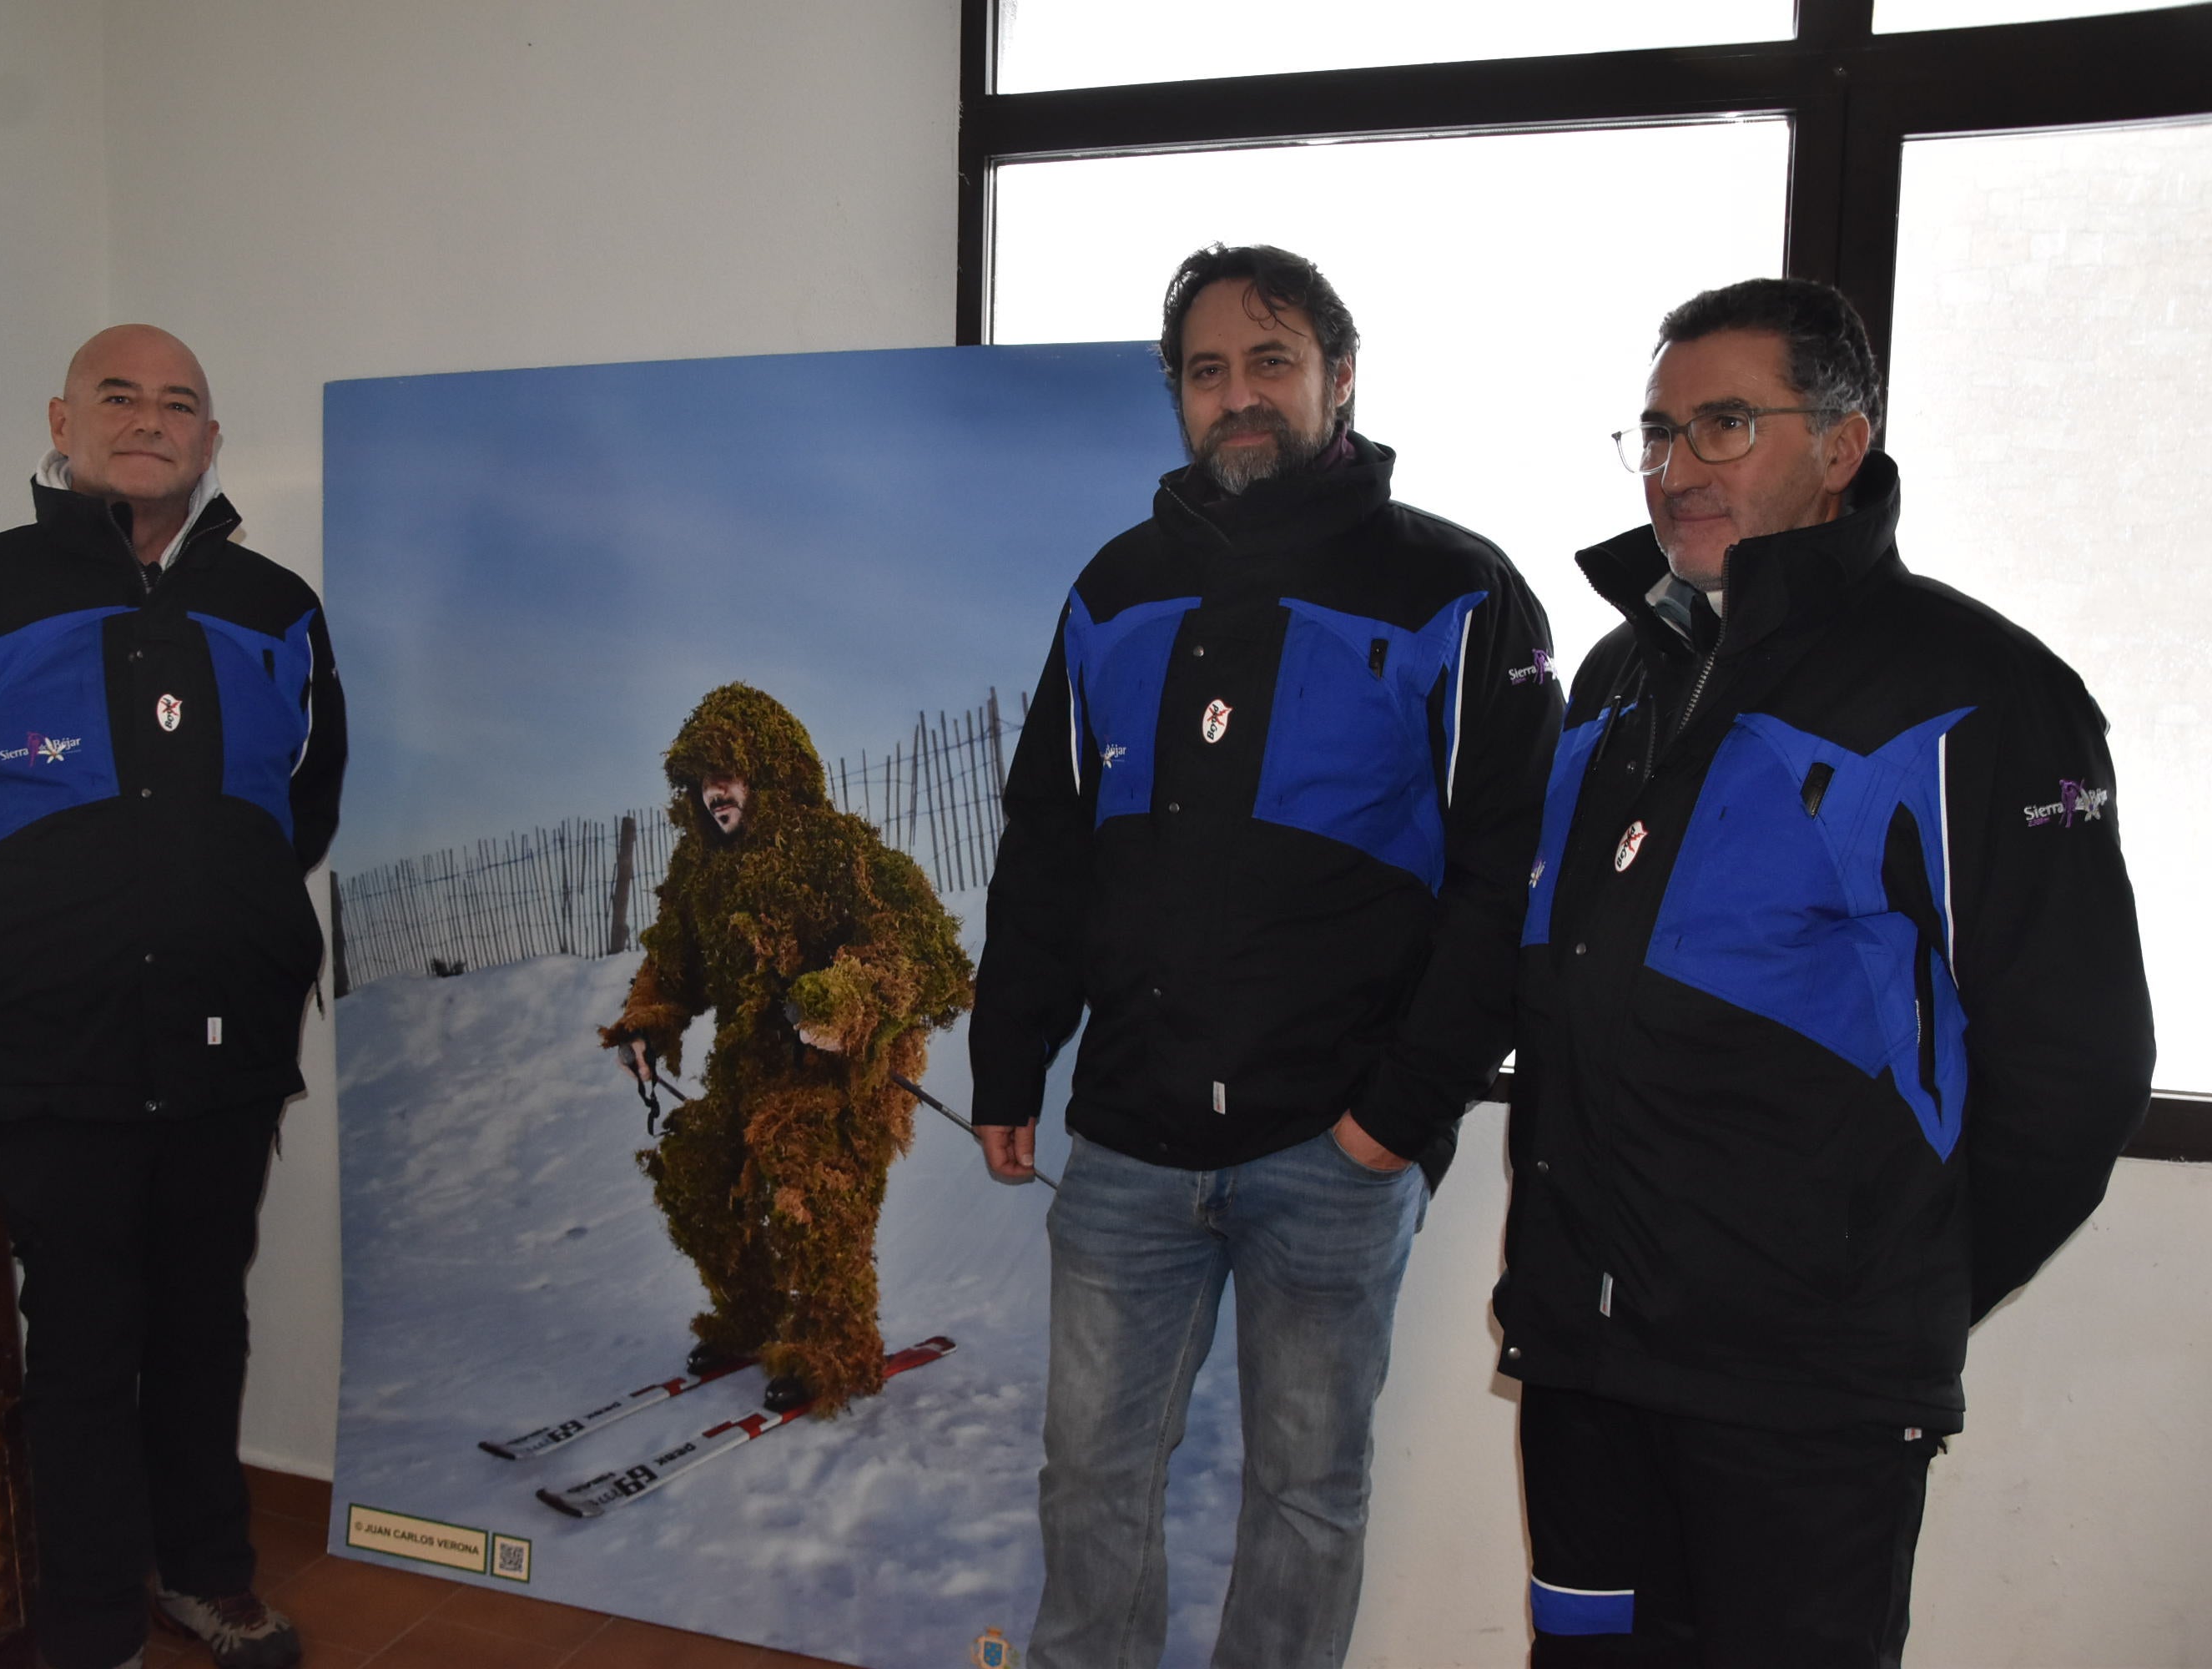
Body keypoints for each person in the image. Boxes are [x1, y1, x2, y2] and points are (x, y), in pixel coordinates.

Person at [1497, 278, 2154, 1666]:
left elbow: (2077, 1065)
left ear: (1843, 446)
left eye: (1726, 425)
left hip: (1802, 1398)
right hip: (1586, 1364)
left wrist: (1882, 1289)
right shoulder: (1614, 677)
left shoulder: (1975, 690)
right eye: (1657, 431)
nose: (1678, 467)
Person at [970, 245, 1562, 1668]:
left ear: (1339, 379)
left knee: (1304, 1497)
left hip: (1332, 1147)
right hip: (1128, 1141)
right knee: (1090, 1481)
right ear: (1178, 395)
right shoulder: (1113, 591)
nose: (1237, 395)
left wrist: (1394, 1118)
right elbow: (1047, 841)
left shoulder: (1456, 590)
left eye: (1271, 361)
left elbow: (1506, 884)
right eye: (1206, 370)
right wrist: (1008, 1059)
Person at [0, 325, 345, 1669]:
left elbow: (302, 804)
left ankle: (206, 1576)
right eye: (120, 396)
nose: (149, 420)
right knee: (81, 1348)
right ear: (63, 422)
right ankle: (95, 1618)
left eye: (180, 404)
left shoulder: (279, 609)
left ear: (211, 442)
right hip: (57, 1052)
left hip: (227, 1048)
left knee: (203, 1325)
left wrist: (224, 918)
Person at [605, 683, 972, 1414]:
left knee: (806, 1168)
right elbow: (673, 967)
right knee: (696, 1166)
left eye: (728, 772)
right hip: (748, 1071)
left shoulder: (837, 851)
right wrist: (644, 1026)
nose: (714, 792)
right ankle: (751, 1315)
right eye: (702, 778)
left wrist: (843, 1001)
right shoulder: (699, 871)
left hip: (839, 1078)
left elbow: (922, 950)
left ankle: (835, 1344)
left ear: (770, 771)